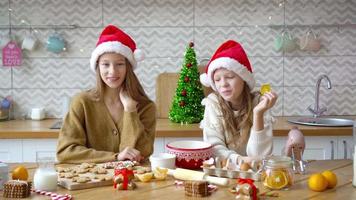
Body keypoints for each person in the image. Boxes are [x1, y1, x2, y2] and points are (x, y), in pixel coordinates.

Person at [57, 25, 156, 163]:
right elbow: (65, 152)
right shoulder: (82, 102)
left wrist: (130, 110)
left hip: (133, 181)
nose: (112, 71)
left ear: (128, 67)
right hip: (91, 181)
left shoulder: (146, 106)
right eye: (105, 64)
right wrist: (115, 157)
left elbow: (141, 152)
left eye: (119, 64)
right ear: (98, 67)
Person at [199, 40, 277, 164]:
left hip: (255, 175)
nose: (223, 84)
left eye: (229, 77)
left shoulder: (260, 103)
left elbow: (260, 156)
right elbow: (214, 149)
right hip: (224, 173)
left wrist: (258, 114)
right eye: (217, 80)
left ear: (244, 79)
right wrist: (240, 160)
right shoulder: (213, 104)